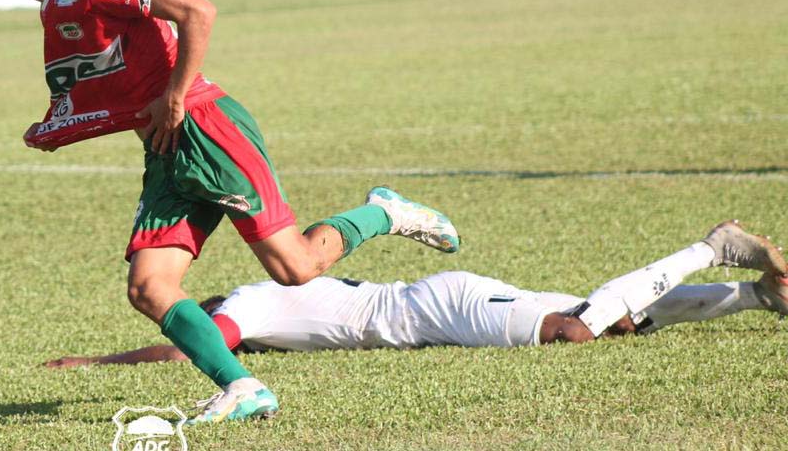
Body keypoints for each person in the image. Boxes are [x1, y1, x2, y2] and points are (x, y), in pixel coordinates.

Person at [0, 0, 460, 423]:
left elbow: (197, 10)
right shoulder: (55, 4)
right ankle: (243, 388)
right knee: (149, 287)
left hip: (207, 130)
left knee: (295, 268)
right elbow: (112, 84)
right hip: (167, 149)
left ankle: (385, 212)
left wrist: (176, 95)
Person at [45, 221, 787, 370]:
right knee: (621, 321)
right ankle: (758, 298)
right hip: (437, 307)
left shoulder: (245, 307)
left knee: (576, 332)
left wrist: (100, 364)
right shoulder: (259, 297)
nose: (192, 326)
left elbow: (194, 345)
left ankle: (708, 247)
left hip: (434, 308)